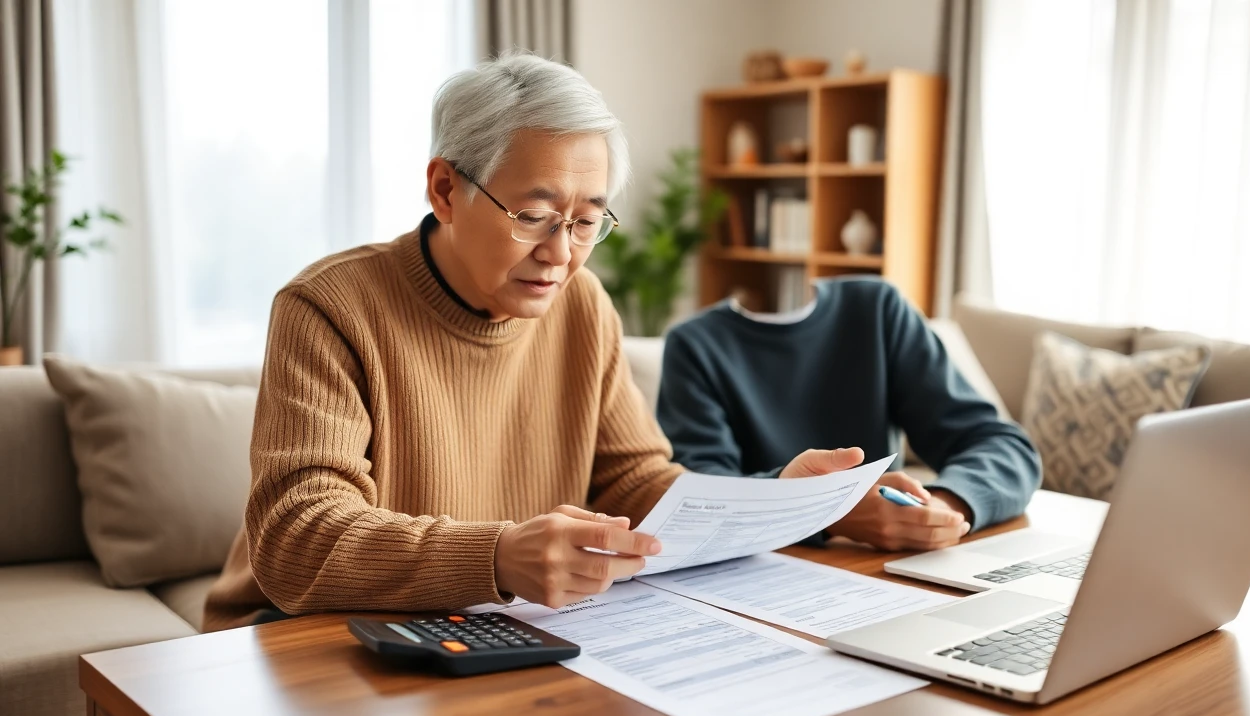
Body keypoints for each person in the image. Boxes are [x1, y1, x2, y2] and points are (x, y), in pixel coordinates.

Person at [202, 53, 865, 632]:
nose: (561, 254)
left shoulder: (581, 304)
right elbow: (297, 539)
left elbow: (632, 482)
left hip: (494, 626)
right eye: (534, 216)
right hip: (305, 632)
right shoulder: (329, 307)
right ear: (445, 189)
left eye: (584, 222)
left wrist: (774, 498)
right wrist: (495, 556)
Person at [656, 277, 1042, 553]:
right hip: (775, 574)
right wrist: (828, 513)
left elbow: (1004, 445)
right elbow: (702, 496)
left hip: (887, 572)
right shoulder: (693, 345)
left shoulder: (878, 309)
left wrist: (940, 504)